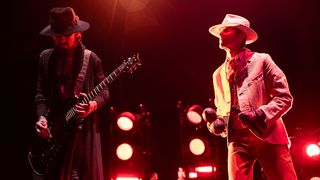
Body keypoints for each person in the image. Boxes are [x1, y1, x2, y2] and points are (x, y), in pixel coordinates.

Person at [206, 14, 298, 180]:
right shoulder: (218, 74)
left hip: (268, 133)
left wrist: (260, 115)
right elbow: (222, 109)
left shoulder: (262, 60)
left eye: (226, 30)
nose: (221, 34)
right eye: (221, 30)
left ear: (241, 35)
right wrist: (217, 124)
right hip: (237, 140)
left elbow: (284, 97)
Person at [33, 7, 109, 180]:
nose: (61, 39)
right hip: (53, 132)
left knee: (76, 175)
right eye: (57, 36)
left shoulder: (91, 59)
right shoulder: (45, 58)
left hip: (80, 133)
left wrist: (92, 105)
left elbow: (104, 92)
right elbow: (40, 94)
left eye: (66, 35)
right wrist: (42, 118)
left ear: (77, 33)